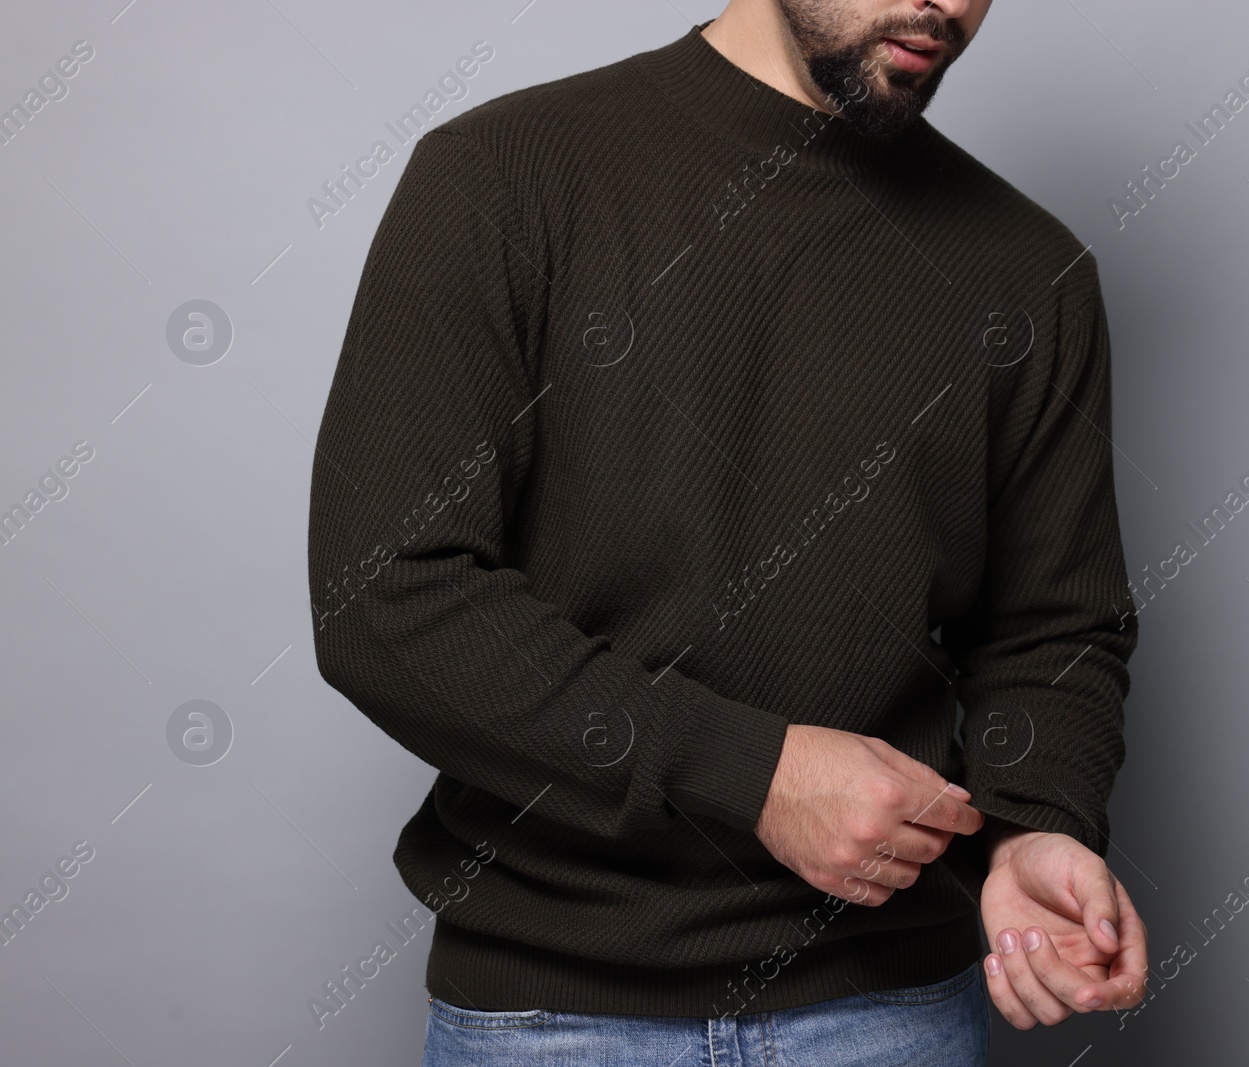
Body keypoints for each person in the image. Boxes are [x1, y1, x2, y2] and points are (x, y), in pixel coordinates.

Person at [306, 0, 1149, 1062]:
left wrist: (1036, 819)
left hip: (893, 1010)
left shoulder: (1029, 269)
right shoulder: (501, 174)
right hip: (554, 1016)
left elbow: (1051, 626)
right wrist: (752, 774)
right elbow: (388, 596)